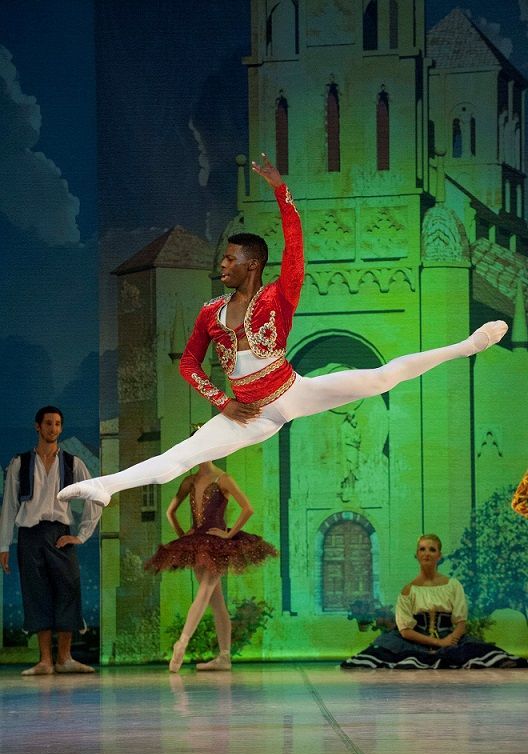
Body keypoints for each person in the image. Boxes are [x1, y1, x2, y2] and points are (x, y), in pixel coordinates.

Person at [57, 155, 508, 508]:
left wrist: (280, 190)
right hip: (249, 413)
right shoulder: (210, 313)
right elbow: (189, 364)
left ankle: (467, 345)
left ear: (252, 264)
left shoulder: (280, 295)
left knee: (382, 377)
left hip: (293, 392)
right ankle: (105, 487)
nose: (222, 264)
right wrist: (223, 402)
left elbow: (295, 243)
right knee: (181, 456)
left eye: (230, 259)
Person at [144, 459, 277, 672]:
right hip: (204, 544)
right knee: (215, 602)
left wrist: (228, 535)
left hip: (212, 544)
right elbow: (170, 512)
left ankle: (183, 642)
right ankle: (224, 657)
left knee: (207, 591)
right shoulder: (193, 481)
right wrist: (184, 537)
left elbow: (248, 509)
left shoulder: (220, 479)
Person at [0, 406, 102, 675]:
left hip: (59, 534)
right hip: (30, 535)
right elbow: (9, 506)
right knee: (36, 594)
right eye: (48, 423)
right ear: (38, 426)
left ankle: (65, 658)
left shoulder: (72, 463)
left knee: (68, 589)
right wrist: (3, 544)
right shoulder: (20, 463)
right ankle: (45, 660)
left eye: (57, 424)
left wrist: (81, 535)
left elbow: (95, 496)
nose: (53, 428)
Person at [340, 534, 527, 669]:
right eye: (422, 549)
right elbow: (405, 631)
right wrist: (438, 643)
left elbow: (461, 622)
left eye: (432, 549)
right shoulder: (408, 590)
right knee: (379, 652)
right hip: (416, 641)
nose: (427, 553)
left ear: (439, 555)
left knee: (482, 653)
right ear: (416, 555)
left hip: (450, 637)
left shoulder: (453, 585)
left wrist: (450, 641)